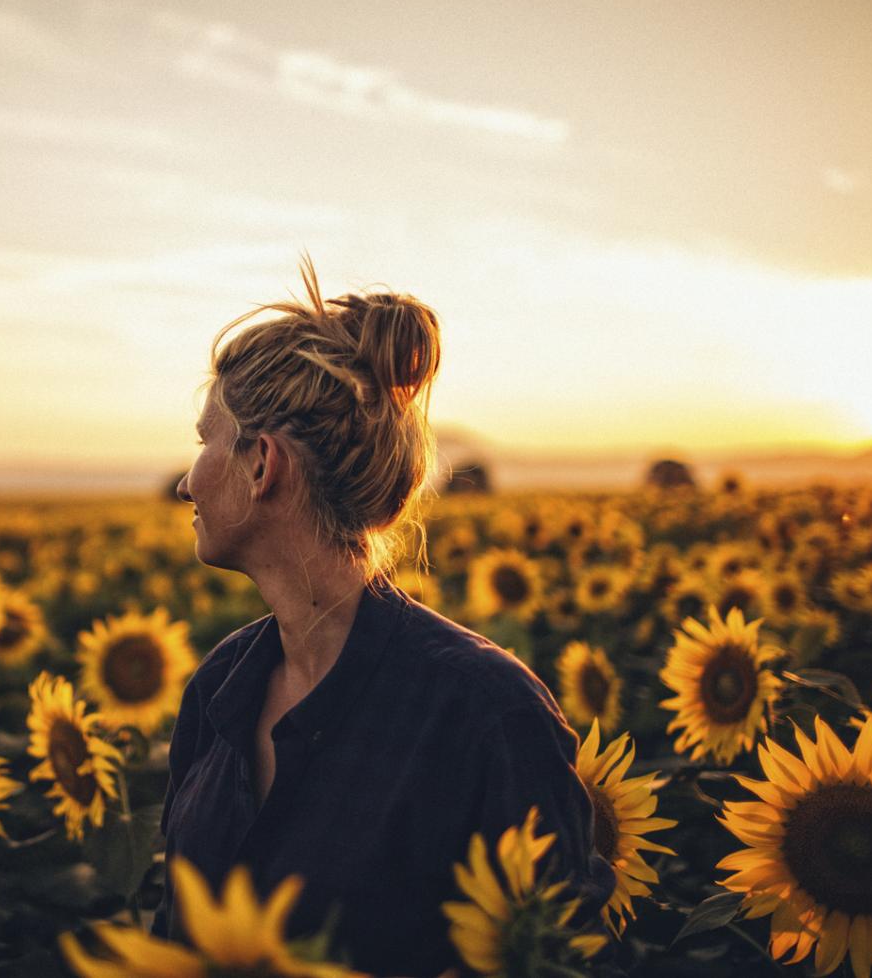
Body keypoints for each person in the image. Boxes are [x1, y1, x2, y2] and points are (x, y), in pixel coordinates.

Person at [152, 255, 617, 977]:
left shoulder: (483, 714)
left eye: (205, 440)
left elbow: (568, 957)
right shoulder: (217, 690)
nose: (187, 480)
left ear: (261, 465)